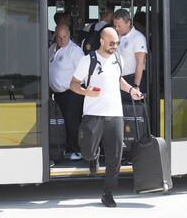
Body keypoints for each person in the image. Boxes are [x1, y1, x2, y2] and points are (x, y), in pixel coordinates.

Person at [70, 27, 142, 207]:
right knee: (86, 151)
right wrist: (86, 91)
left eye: (117, 43)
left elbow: (118, 80)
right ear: (102, 41)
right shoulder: (88, 60)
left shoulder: (118, 58)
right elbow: (73, 84)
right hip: (93, 114)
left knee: (115, 158)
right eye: (112, 43)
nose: (115, 46)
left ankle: (108, 193)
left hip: (115, 114)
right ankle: (93, 157)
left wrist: (132, 90)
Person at [49, 24, 84, 160]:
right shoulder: (52, 49)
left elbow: (83, 73)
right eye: (59, 37)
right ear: (55, 36)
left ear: (69, 35)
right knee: (61, 122)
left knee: (72, 122)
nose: (62, 40)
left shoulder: (74, 51)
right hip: (57, 94)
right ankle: (65, 147)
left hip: (72, 93)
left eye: (65, 37)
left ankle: (76, 150)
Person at [113, 9, 148, 102]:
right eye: (115, 26)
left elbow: (140, 63)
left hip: (131, 79)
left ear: (128, 23)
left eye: (119, 26)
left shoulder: (138, 37)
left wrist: (136, 86)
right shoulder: (117, 37)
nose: (116, 28)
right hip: (118, 79)